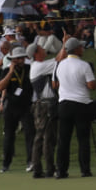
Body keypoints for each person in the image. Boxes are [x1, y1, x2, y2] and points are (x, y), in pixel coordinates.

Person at [54, 36, 96, 178]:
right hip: (81, 105)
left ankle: (61, 170)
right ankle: (85, 170)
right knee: (83, 139)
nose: (82, 49)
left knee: (63, 140)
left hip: (64, 104)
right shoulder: (84, 65)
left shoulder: (60, 65)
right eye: (81, 47)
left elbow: (57, 84)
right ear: (77, 49)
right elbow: (92, 85)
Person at [0, 46, 34, 173]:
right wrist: (10, 72)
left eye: (22, 58)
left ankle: (31, 161)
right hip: (11, 107)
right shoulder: (7, 70)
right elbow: (1, 86)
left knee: (30, 133)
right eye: (18, 58)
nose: (20, 60)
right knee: (9, 135)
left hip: (26, 106)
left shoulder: (29, 69)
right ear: (13, 60)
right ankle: (6, 163)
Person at [28, 40, 59, 178]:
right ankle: (49, 168)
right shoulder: (39, 66)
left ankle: (37, 168)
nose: (43, 49)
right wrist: (64, 44)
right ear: (36, 53)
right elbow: (59, 59)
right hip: (46, 105)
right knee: (48, 138)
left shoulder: (37, 66)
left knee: (40, 137)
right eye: (41, 48)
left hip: (40, 105)